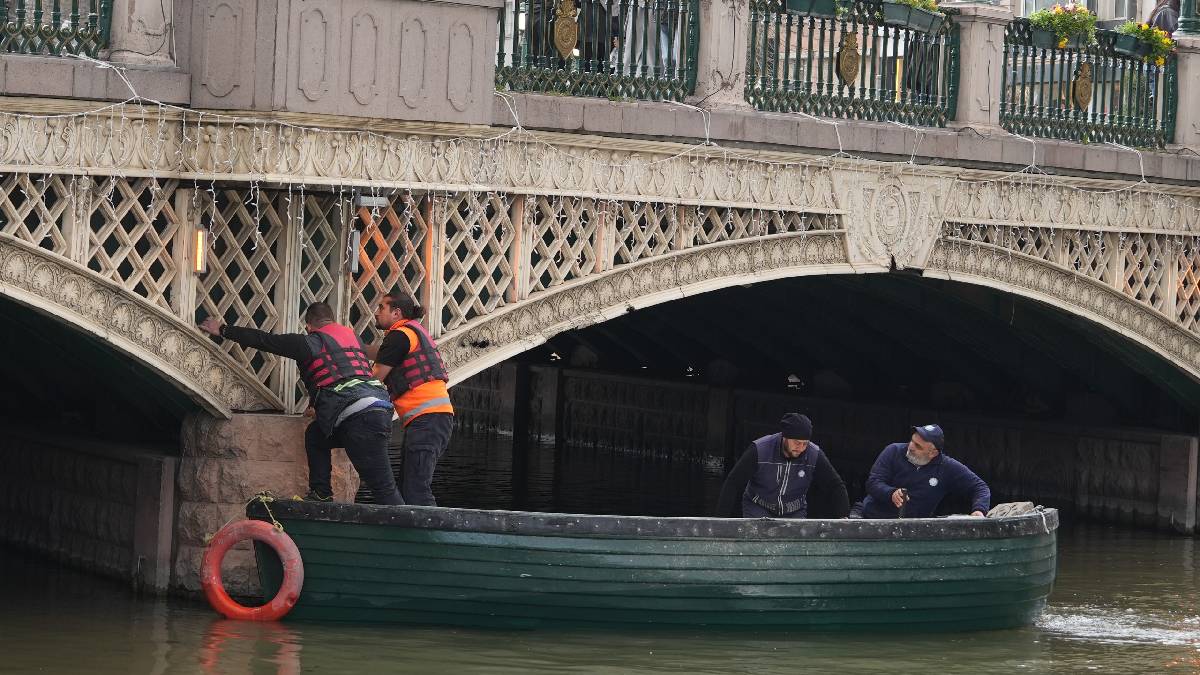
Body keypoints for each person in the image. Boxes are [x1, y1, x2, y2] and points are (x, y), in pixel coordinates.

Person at [198, 303, 404, 505]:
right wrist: (322, 411)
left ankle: (408, 534)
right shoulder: (353, 339)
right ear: (332, 321)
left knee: (384, 489)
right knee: (316, 435)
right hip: (378, 410)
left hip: (359, 418)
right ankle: (321, 493)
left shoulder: (310, 342)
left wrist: (223, 329)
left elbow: (265, 340)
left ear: (309, 326)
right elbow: (342, 375)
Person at [371, 291, 455, 506]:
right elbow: (382, 353)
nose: (376, 312)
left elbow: (375, 378)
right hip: (432, 420)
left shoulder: (398, 336)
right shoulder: (412, 333)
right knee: (409, 487)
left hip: (427, 420)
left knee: (416, 489)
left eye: (381, 307)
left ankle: (430, 537)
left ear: (396, 313)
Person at [715, 413, 849, 519]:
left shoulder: (814, 454)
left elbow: (835, 485)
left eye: (805, 443)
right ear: (785, 437)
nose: (801, 448)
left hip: (794, 511)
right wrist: (720, 520)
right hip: (757, 506)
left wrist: (843, 517)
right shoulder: (759, 449)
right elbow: (733, 483)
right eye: (797, 442)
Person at [854, 424, 989, 519]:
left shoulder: (946, 467)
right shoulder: (893, 451)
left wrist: (979, 510)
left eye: (918, 446)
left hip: (914, 529)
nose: (911, 447)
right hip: (871, 517)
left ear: (933, 453)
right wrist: (891, 493)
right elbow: (873, 482)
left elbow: (980, 487)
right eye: (912, 441)